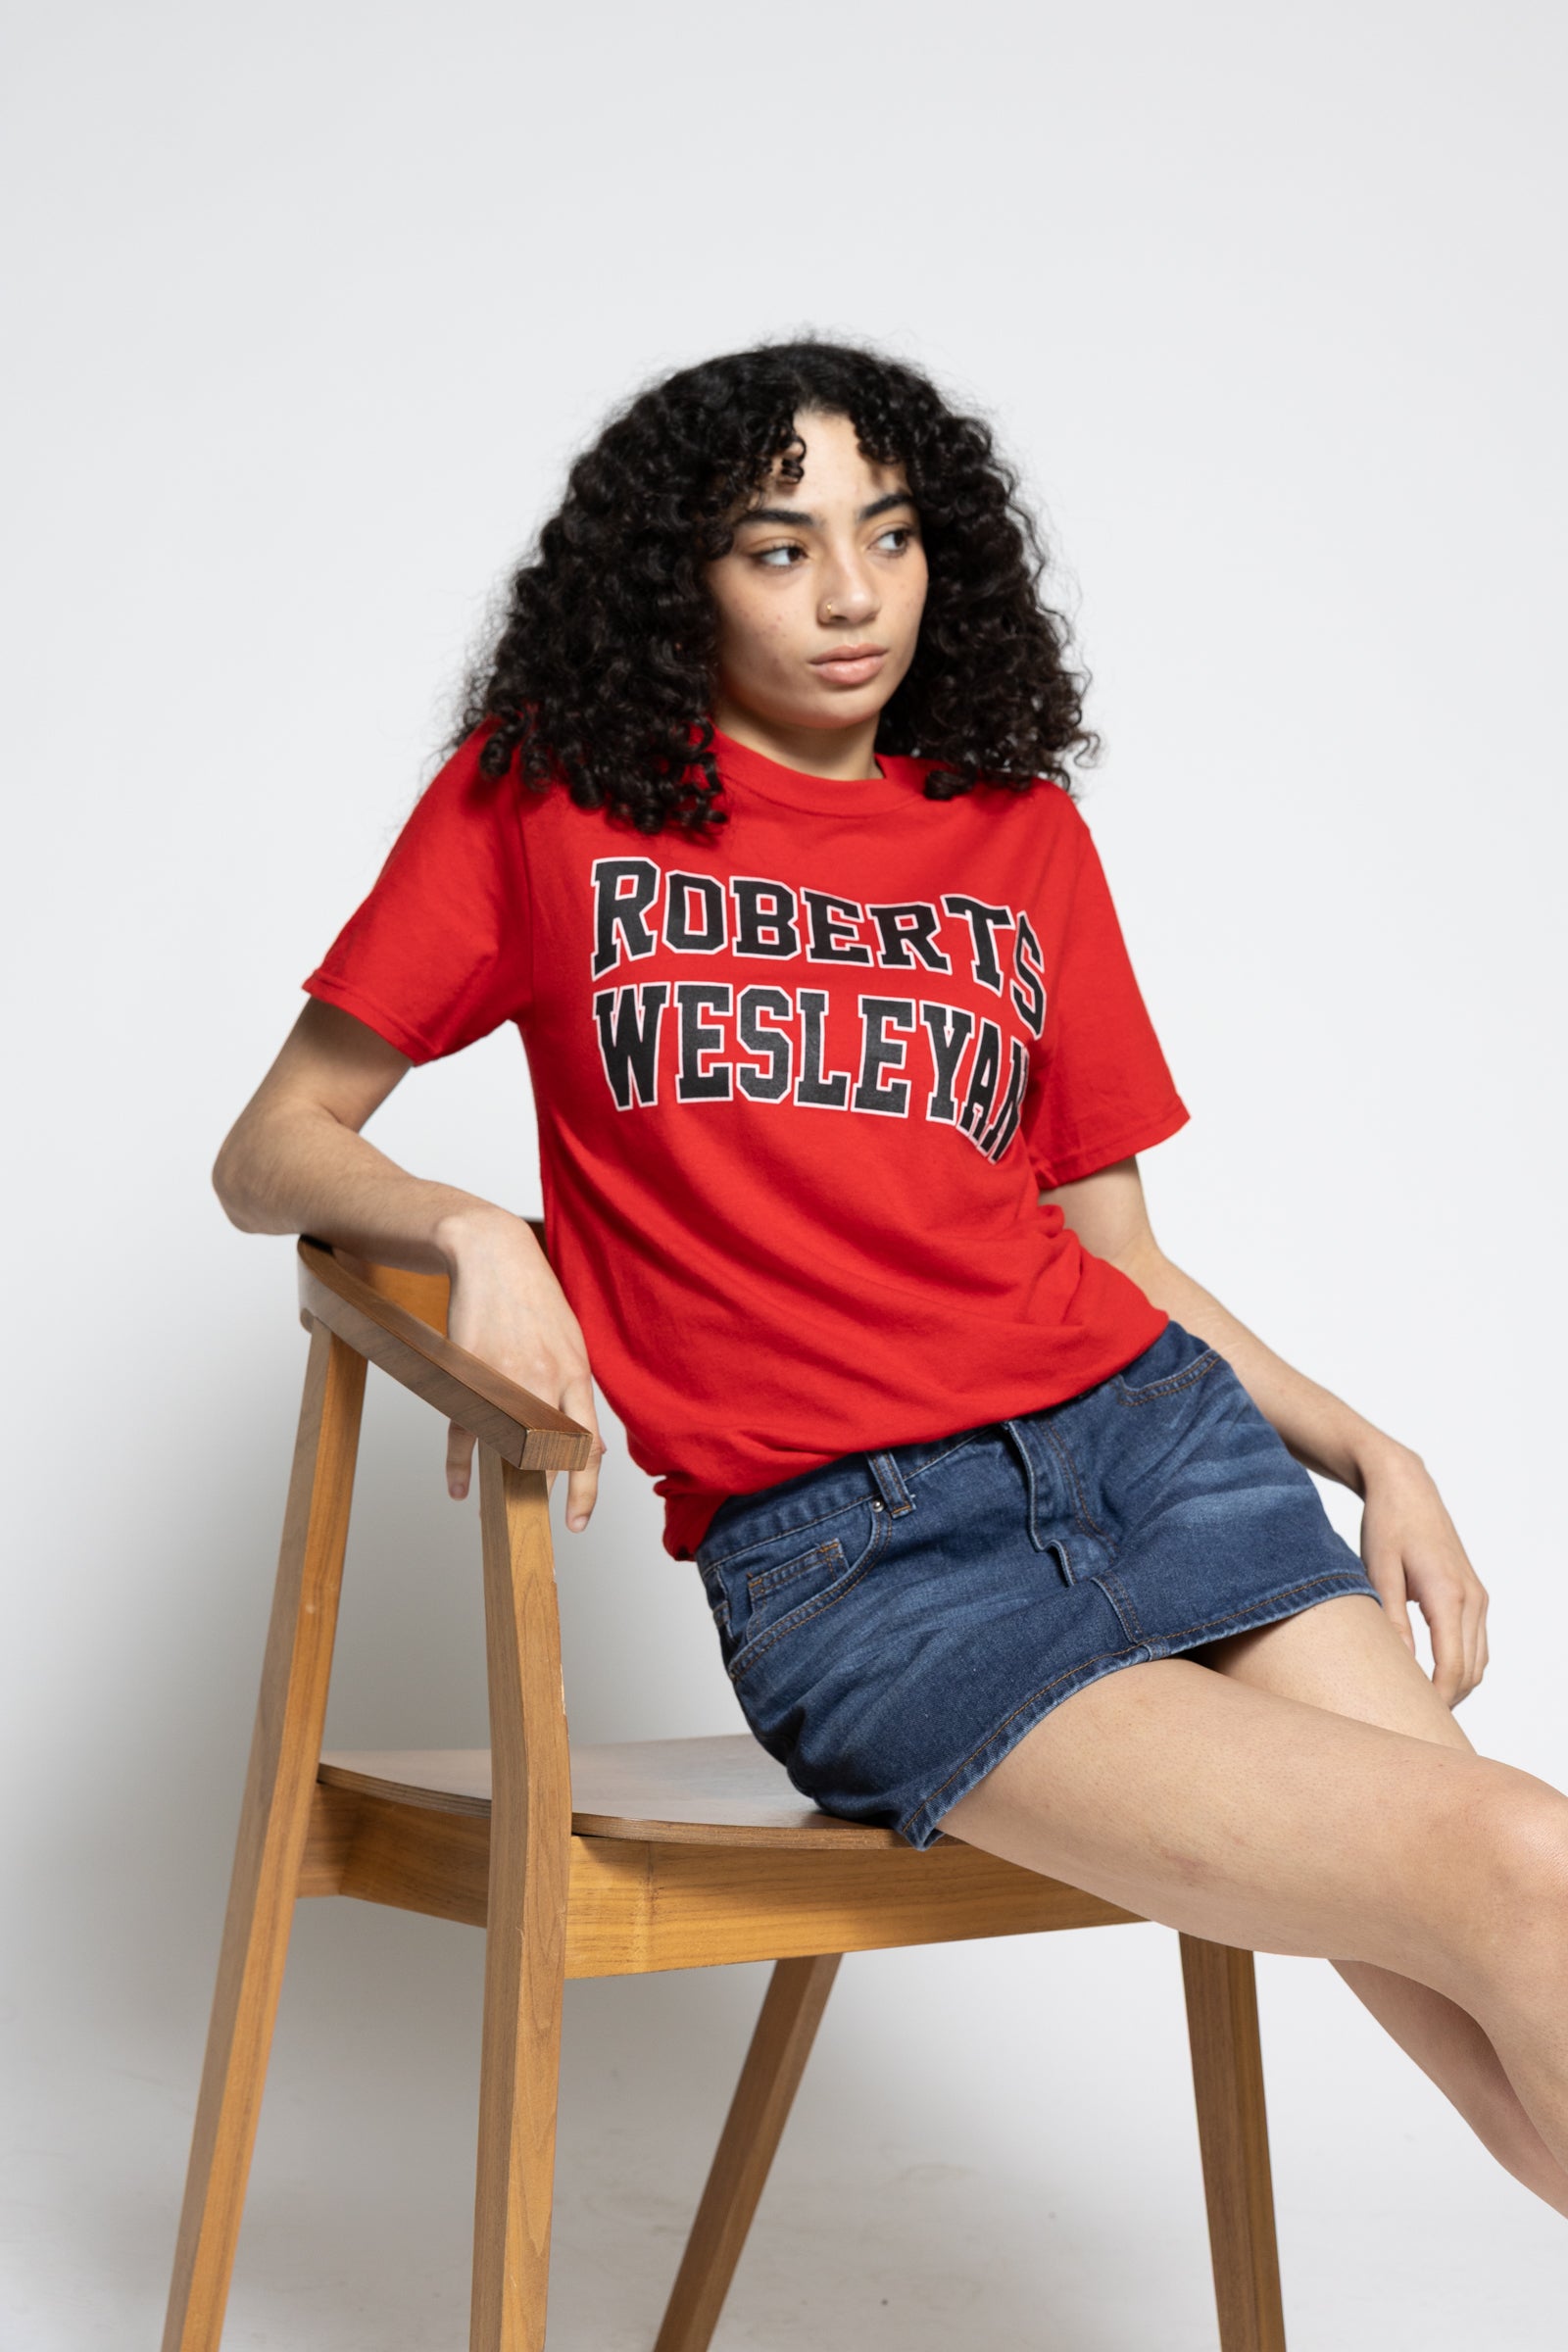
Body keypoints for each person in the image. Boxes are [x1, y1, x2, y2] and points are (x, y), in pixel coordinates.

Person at [214, 337, 1568, 2218]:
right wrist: (478, 1230)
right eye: (778, 547)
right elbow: (269, 1149)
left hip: (1159, 1457)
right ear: (676, 576)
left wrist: (1372, 1449)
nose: (853, 594)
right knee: (1511, 1862)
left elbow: (1118, 1261)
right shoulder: (542, 804)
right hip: (870, 1569)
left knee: (1515, 1943)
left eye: (892, 534)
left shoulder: (1016, 833)